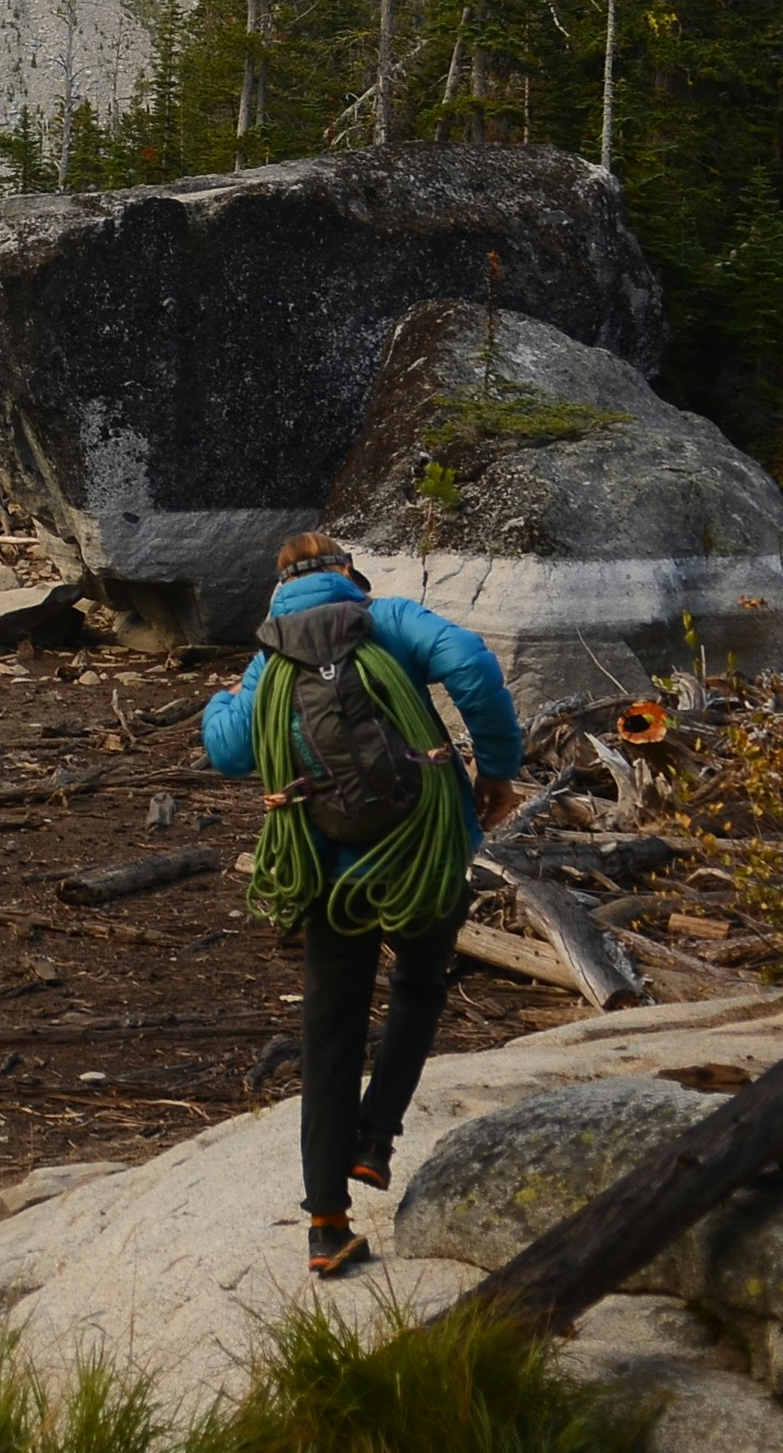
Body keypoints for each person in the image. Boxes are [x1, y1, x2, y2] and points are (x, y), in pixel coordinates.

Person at [200, 530, 522, 1278]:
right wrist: (498, 769)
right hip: (424, 848)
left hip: (325, 867)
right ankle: (375, 1140)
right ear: (349, 572)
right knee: (420, 984)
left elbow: (228, 751)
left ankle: (326, 1225)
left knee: (331, 1030)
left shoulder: (269, 658)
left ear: (280, 589)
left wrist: (224, 699)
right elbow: (473, 665)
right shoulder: (391, 621)